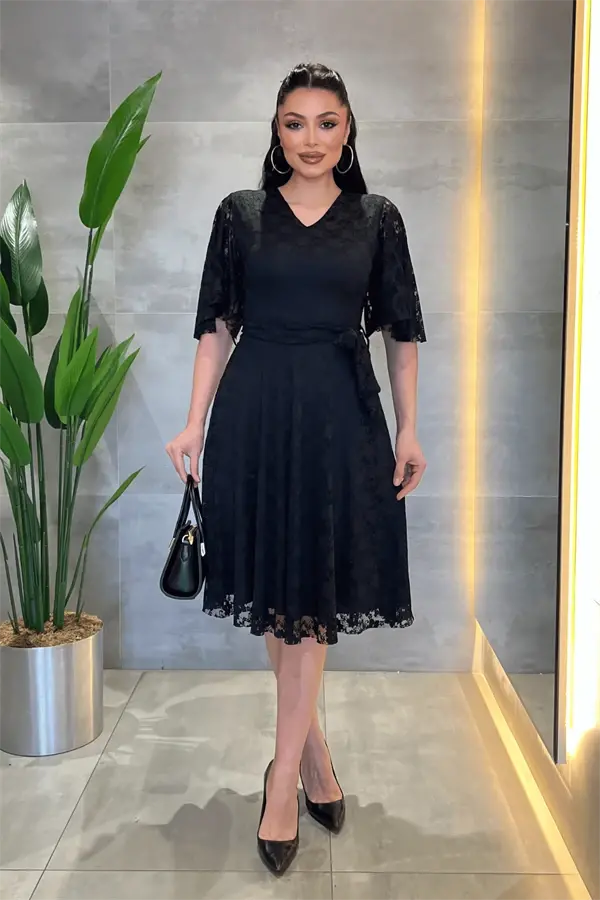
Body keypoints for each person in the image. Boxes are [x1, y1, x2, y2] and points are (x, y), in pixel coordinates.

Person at [166, 61, 427, 877]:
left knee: (310, 593)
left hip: (343, 417)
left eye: (326, 122)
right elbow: (216, 327)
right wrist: (193, 421)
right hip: (255, 415)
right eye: (294, 122)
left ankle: (282, 780)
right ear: (276, 132)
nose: (311, 139)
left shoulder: (377, 219)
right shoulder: (239, 214)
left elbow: (401, 332)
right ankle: (309, 757)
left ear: (348, 130)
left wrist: (410, 428)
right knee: (283, 593)